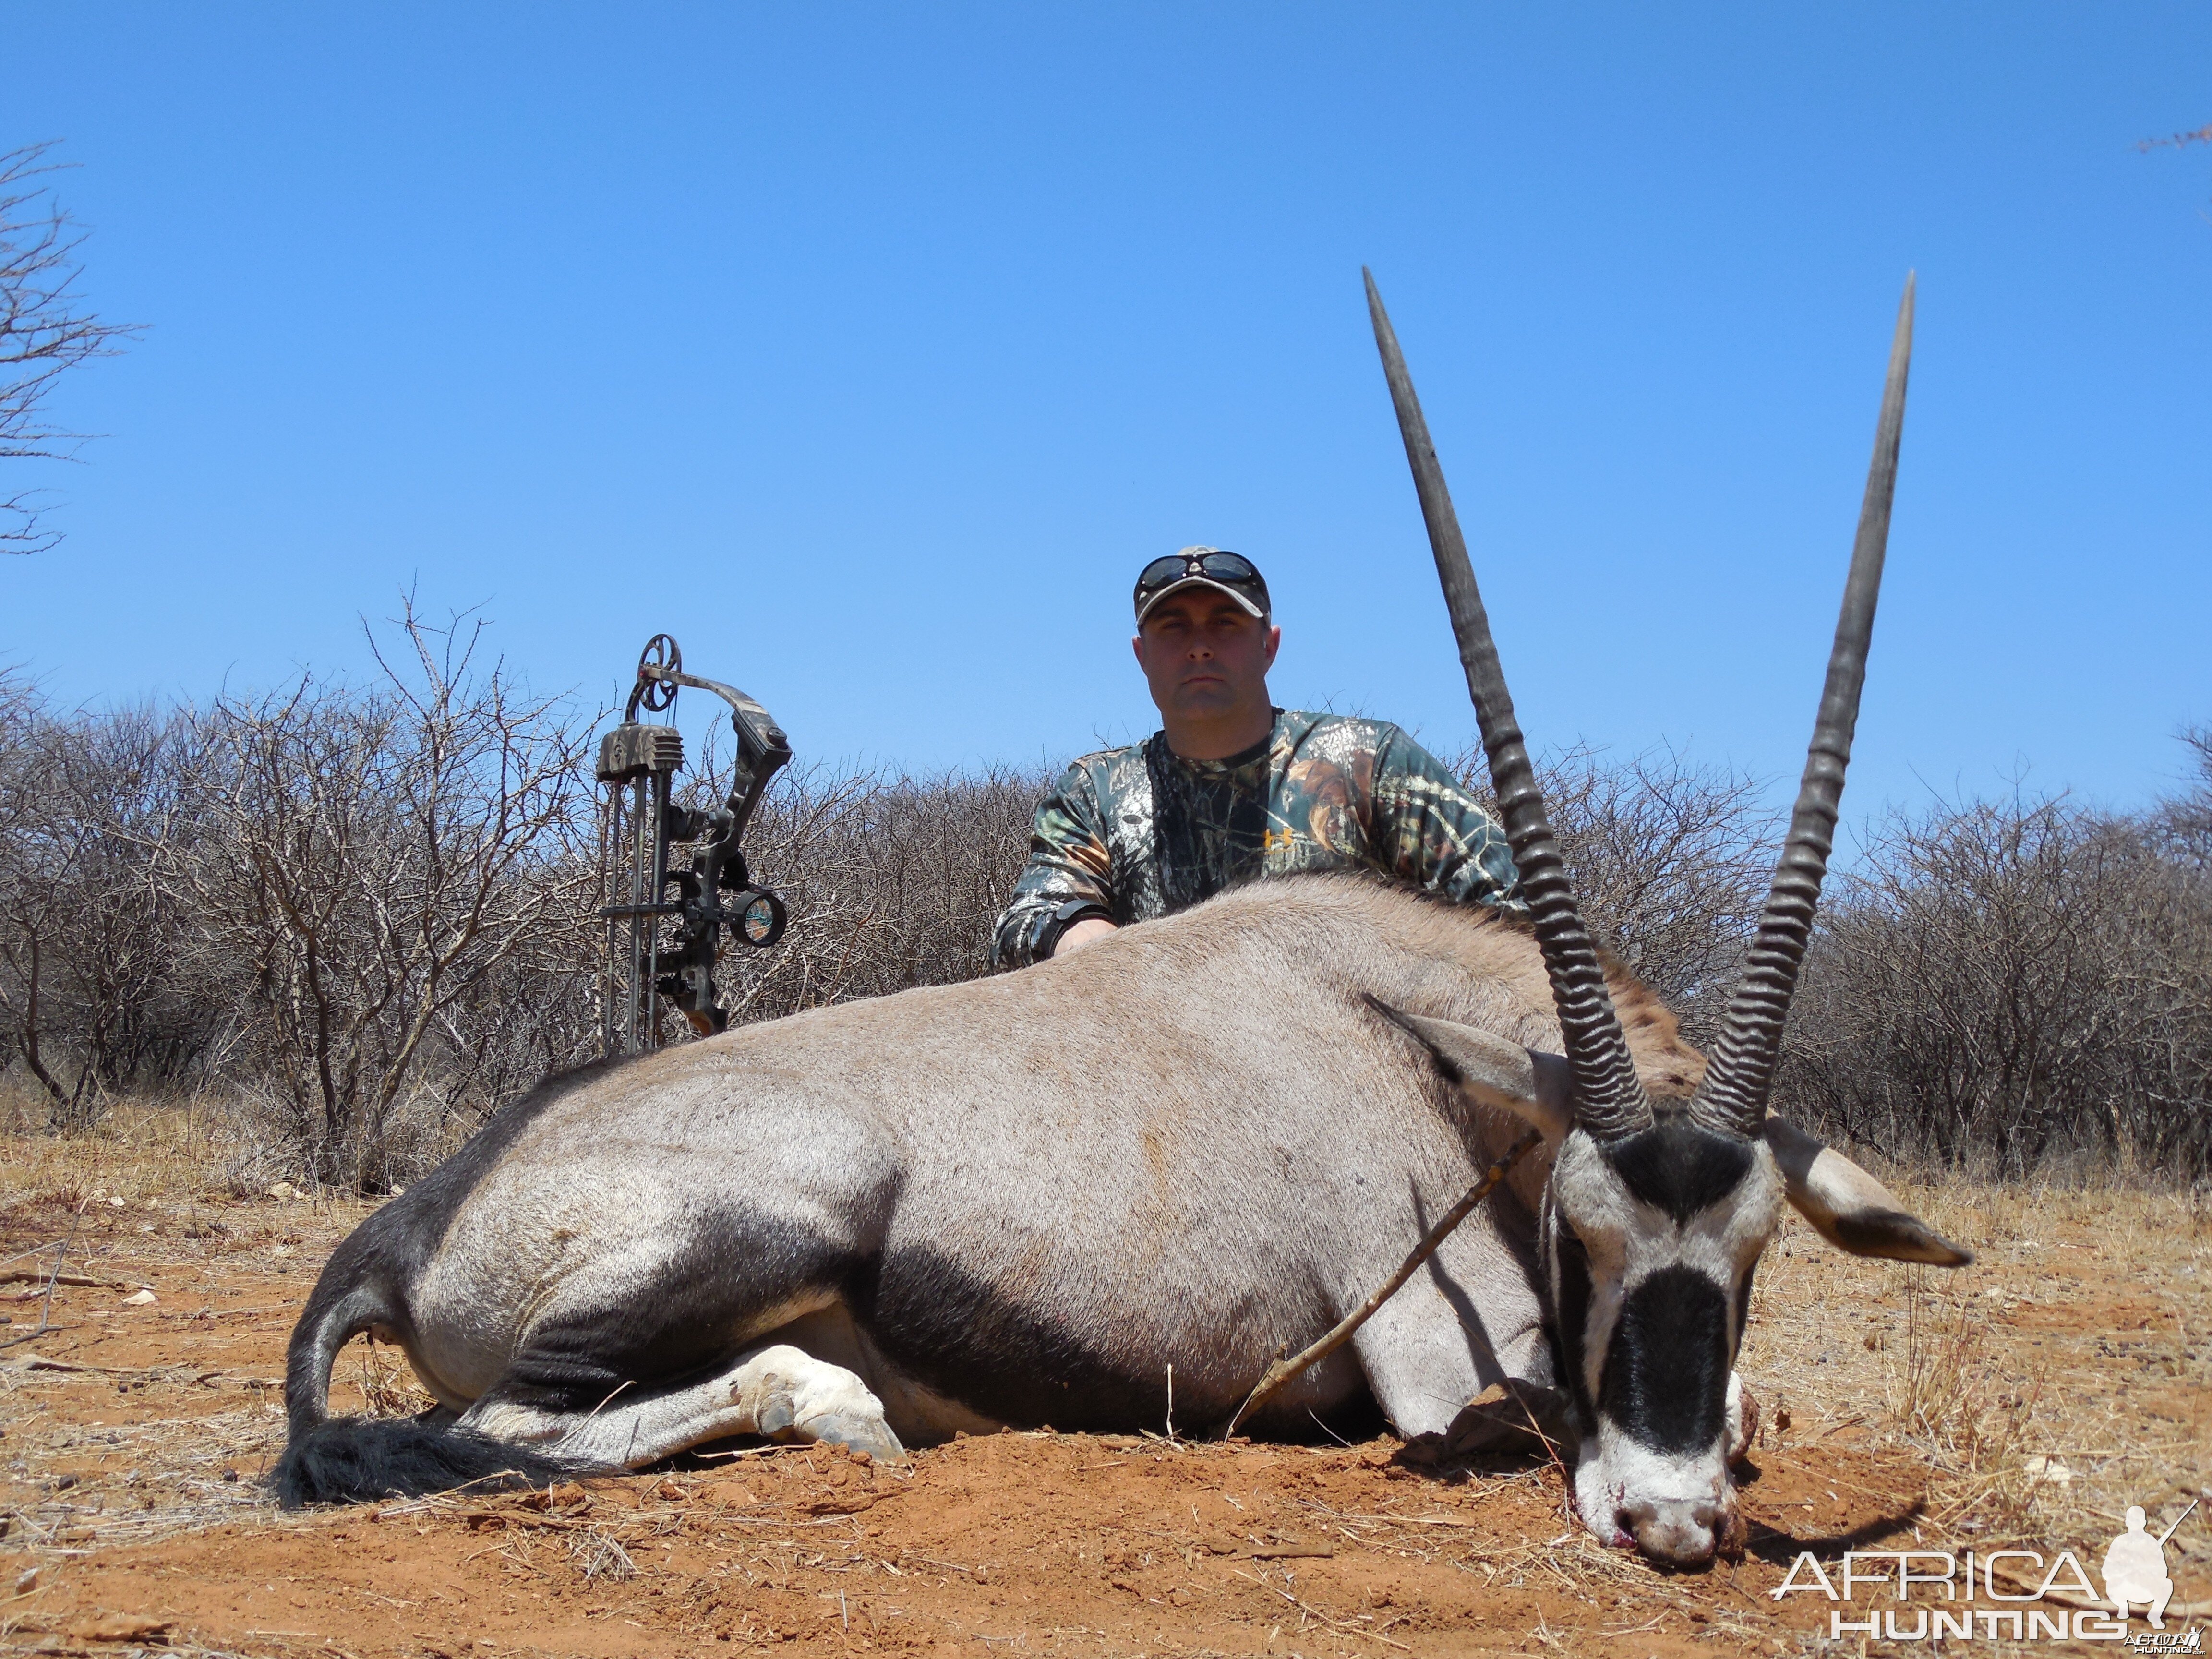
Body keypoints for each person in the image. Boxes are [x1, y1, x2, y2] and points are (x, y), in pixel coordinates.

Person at [991, 547, 1523, 967]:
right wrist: (1096, 946)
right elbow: (1027, 923)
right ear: (1141, 655)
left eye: (1225, 623)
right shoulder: (1096, 791)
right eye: (1174, 628)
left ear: (1269, 646)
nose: (1200, 647)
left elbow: (1513, 915)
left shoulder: (1369, 761)